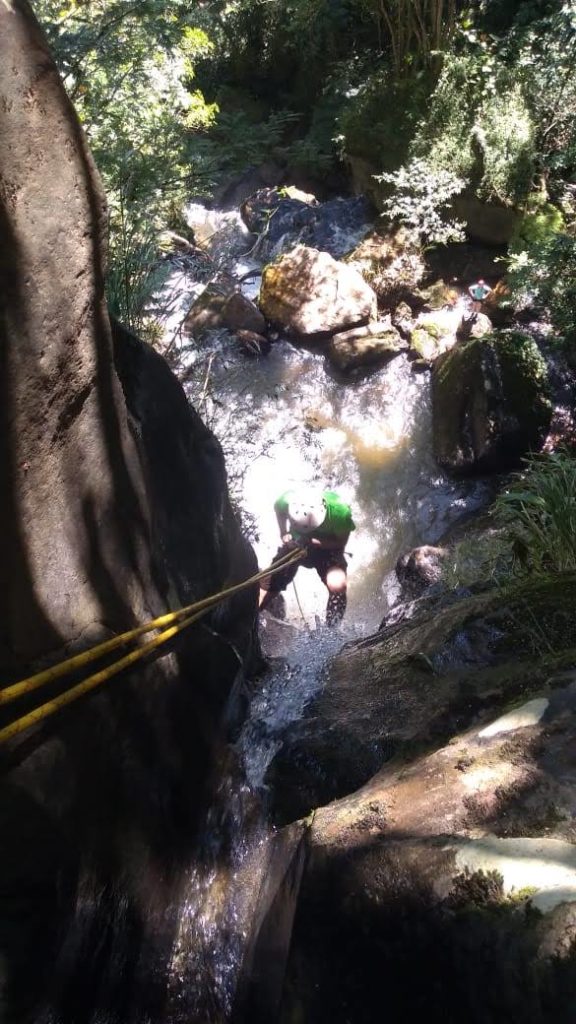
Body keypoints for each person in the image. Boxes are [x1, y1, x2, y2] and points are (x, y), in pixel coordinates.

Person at [259, 488, 355, 626]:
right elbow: (279, 510)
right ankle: (250, 616)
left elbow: (340, 542)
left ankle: (331, 630)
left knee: (337, 584)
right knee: (271, 580)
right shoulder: (288, 500)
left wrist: (316, 543)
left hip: (327, 548)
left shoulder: (340, 512)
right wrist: (284, 533)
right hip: (296, 545)